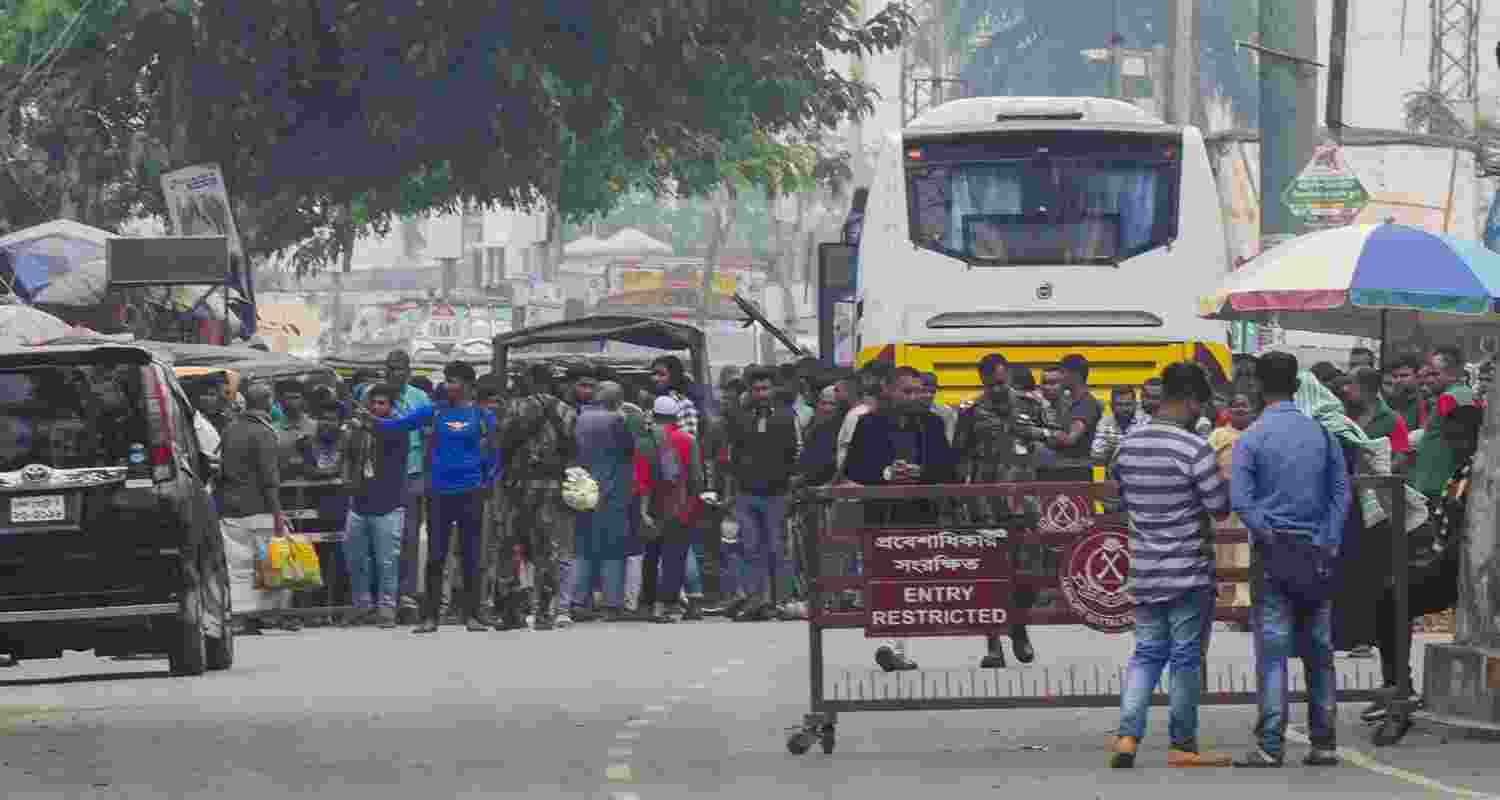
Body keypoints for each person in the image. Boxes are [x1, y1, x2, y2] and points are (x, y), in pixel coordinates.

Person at [1230, 351, 1349, 768]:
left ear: (1259, 387)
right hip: (1317, 552)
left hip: (1274, 554)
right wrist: (1327, 539)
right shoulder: (1321, 433)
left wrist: (1268, 533)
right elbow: (1341, 493)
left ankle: (1270, 745)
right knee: (1319, 649)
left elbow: (1241, 499)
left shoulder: (1253, 437)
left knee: (1274, 649)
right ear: (1297, 386)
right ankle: (1324, 742)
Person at [1110, 363, 1232, 769]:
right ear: (1193, 401)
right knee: (1184, 660)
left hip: (1143, 568)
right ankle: (1182, 744)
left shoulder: (1126, 444)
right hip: (1187, 571)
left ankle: (1127, 737)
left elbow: (1120, 499)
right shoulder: (1194, 449)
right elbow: (1218, 508)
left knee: (1145, 654)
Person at [369, 361, 498, 634]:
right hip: (438, 493)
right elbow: (399, 426)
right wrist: (373, 422)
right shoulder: (434, 411)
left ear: (468, 385)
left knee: (471, 556)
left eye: (453, 381)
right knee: (436, 556)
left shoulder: (483, 416)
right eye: (447, 380)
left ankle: (473, 615)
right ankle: (429, 617)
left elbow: (494, 456)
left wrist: (488, 483)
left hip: (471, 493)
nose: (447, 386)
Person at [844, 366, 959, 672]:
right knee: (883, 581)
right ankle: (890, 644)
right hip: (881, 514)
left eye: (917, 391)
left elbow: (948, 469)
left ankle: (896, 646)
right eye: (906, 391)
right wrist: (886, 474)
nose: (913, 397)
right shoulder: (868, 424)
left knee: (911, 580)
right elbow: (853, 469)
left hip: (920, 513)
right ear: (888, 390)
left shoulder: (932, 424)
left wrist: (921, 473)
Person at [953, 353, 1048, 669]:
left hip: (1025, 500)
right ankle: (993, 644)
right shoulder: (971, 412)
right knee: (990, 575)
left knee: (1029, 576)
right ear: (982, 381)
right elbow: (960, 458)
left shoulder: (1031, 406)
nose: (998, 388)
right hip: (987, 503)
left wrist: (1037, 440)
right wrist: (964, 501)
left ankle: (1019, 626)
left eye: (1003, 382)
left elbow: (1056, 440)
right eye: (992, 383)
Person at [498, 363, 580, 631]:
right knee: (547, 549)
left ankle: (512, 613)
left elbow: (503, 442)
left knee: (511, 547)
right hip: (551, 487)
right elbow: (573, 448)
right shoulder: (566, 410)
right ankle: (545, 613)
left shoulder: (515, 407)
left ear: (530, 382)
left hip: (518, 487)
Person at [355, 350, 433, 625]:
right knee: (373, 540)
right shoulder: (370, 393)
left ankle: (407, 597)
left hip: (411, 474)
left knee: (408, 538)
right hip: (377, 477)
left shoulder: (420, 399)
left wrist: (424, 474)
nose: (395, 373)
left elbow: (426, 439)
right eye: (390, 368)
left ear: (409, 371)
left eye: (400, 368)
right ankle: (374, 601)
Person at [724, 367, 801, 621]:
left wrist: (791, 491)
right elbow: (730, 455)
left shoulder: (787, 416)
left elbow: (795, 456)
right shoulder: (738, 417)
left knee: (777, 549)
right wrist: (730, 492)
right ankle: (756, 600)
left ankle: (781, 602)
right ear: (750, 391)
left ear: (773, 389)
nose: (761, 393)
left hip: (777, 494)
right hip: (746, 494)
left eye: (765, 388)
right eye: (756, 389)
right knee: (750, 548)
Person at [218, 382, 294, 634]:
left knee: (237, 567)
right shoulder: (264, 433)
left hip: (230, 509)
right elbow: (269, 478)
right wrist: (278, 514)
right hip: (259, 508)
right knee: (268, 564)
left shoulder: (229, 429)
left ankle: (239, 617)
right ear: (268, 401)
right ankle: (265, 616)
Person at [341, 383, 411, 628]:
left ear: (391, 406)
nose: (376, 406)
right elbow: (347, 455)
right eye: (373, 402)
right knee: (355, 559)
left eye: (382, 403)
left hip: (389, 504)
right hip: (359, 503)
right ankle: (362, 606)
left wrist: (368, 423)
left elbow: (388, 437)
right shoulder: (359, 428)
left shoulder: (398, 427)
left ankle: (387, 609)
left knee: (387, 562)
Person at [571, 381, 635, 622]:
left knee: (583, 547)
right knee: (613, 548)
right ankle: (612, 603)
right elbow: (629, 450)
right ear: (617, 401)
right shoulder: (617, 420)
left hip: (582, 489)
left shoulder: (579, 417)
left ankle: (578, 601)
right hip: (613, 490)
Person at [640, 395, 704, 623]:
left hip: (652, 507)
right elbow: (696, 478)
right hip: (681, 507)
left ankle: (647, 606)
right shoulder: (688, 440)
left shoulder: (645, 441)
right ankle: (664, 607)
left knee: (651, 558)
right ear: (676, 416)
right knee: (673, 558)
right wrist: (695, 505)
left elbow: (642, 481)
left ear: (654, 415)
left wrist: (643, 511)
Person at [1408, 346, 1478, 501]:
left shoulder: (1452, 398)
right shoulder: (1457, 395)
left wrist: (1454, 494)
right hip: (1436, 487)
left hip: (1441, 489)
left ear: (1453, 373)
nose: (1428, 379)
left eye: (1434, 373)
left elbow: (1465, 450)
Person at [1043, 354, 1102, 482]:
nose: (1060, 377)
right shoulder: (1068, 402)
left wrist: (1043, 433)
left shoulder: (1086, 403)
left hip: (1076, 473)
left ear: (1075, 375)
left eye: (1063, 373)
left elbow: (1071, 438)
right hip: (1061, 470)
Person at [1092, 384, 1146, 466]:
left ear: (1135, 404)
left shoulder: (1144, 422)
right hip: (1114, 475)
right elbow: (1096, 455)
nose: (1124, 409)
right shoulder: (1105, 422)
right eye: (1120, 404)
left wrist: (1112, 451)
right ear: (1111, 406)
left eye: (1128, 404)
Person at [651, 356, 700, 438]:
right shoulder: (654, 401)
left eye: (662, 374)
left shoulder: (684, 404)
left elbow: (688, 440)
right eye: (654, 374)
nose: (655, 378)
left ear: (674, 377)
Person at [920, 371, 957, 444]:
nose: (929, 395)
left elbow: (949, 440)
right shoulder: (909, 410)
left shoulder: (947, 412)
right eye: (923, 391)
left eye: (932, 392)